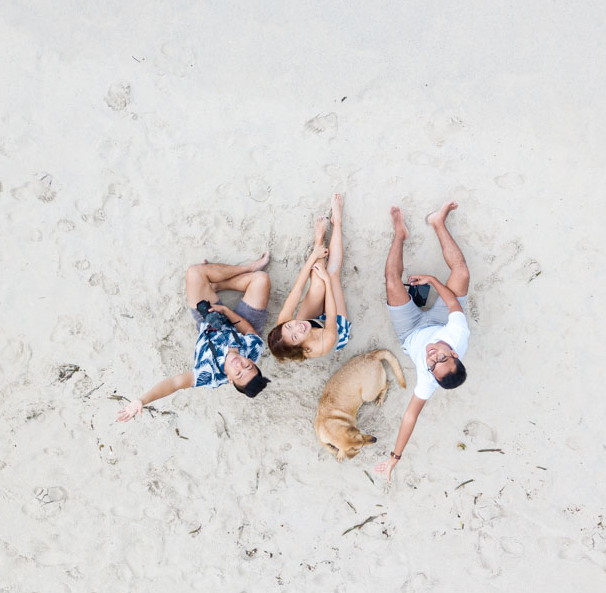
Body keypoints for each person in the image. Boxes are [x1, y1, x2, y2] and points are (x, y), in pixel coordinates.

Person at [373, 200, 471, 481]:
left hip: (412, 330)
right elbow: (452, 302)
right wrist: (432, 279)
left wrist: (394, 459)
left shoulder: (429, 379)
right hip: (441, 319)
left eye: (431, 364)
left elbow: (410, 417)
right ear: (454, 355)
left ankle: (400, 234)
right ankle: (438, 222)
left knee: (392, 281)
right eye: (440, 357)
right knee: (462, 272)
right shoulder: (458, 334)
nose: (431, 357)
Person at [116, 250, 272, 421]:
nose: (240, 366)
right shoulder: (254, 350)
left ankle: (214, 285)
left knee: (194, 273)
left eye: (238, 374)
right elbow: (250, 331)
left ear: (229, 379)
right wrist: (227, 312)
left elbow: (175, 384)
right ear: (251, 361)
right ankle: (241, 272)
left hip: (209, 322)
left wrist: (141, 400)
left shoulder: (208, 374)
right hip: (239, 324)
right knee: (261, 279)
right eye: (247, 366)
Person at [267, 194, 352, 361]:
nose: (297, 328)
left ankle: (319, 240)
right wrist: (327, 280)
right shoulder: (323, 343)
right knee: (332, 273)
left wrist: (314, 255)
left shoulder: (284, 327)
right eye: (295, 337)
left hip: (313, 322)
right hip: (333, 326)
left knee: (317, 284)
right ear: (298, 347)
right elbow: (331, 315)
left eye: (290, 326)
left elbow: (297, 289)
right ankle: (337, 223)